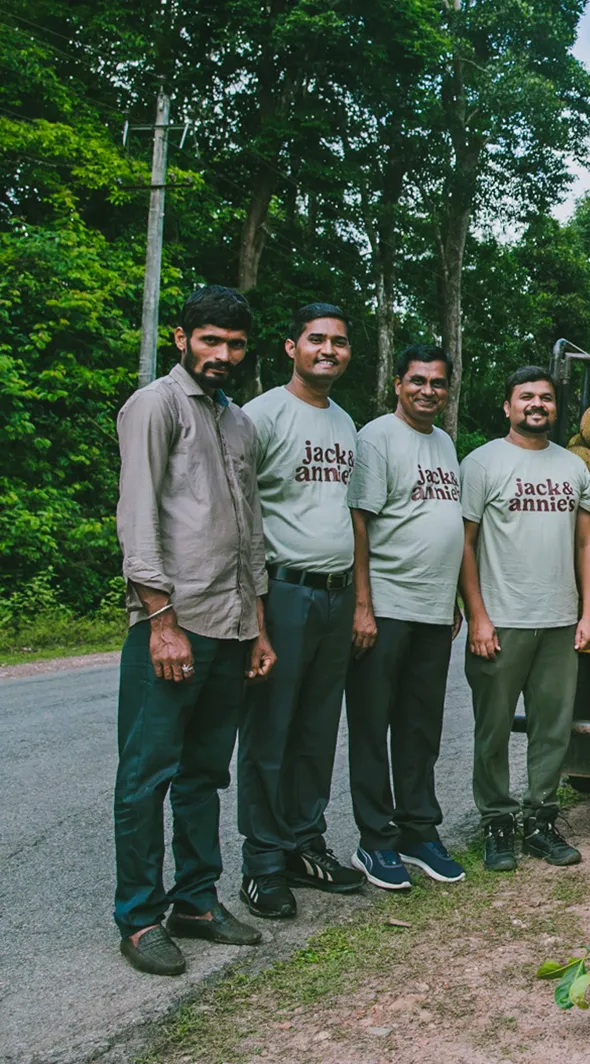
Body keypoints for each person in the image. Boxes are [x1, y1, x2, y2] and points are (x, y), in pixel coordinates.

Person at [113, 286, 276, 976]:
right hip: (175, 626)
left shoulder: (239, 423)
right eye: (210, 340)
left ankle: (197, 900)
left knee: (206, 772)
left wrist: (260, 629)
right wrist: (160, 624)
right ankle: (139, 917)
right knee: (147, 775)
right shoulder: (155, 405)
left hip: (233, 625)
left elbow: (250, 530)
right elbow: (138, 517)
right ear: (182, 339)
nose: (222, 354)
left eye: (234, 344)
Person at [237, 303, 364, 918]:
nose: (328, 350)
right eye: (317, 340)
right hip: (282, 590)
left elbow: (352, 519)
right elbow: (240, 520)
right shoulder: (259, 416)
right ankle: (261, 862)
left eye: (339, 342)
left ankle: (302, 842)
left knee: (316, 730)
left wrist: (361, 601)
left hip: (337, 594)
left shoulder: (346, 424)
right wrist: (255, 616)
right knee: (270, 730)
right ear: (292, 346)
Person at [460, 367, 590, 872]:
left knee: (552, 729)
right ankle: (497, 822)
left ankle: (541, 820)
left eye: (545, 397)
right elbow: (465, 544)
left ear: (555, 408)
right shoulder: (481, 464)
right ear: (507, 406)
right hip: (501, 621)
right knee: (492, 729)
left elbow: (586, 543)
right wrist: (476, 616)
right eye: (526, 397)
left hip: (560, 620)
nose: (536, 404)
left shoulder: (573, 468)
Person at [345, 344, 466, 889]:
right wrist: (362, 605)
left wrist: (455, 599)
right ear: (398, 383)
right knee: (374, 726)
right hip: (386, 608)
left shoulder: (443, 443)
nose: (428, 391)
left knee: (420, 728)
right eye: (418, 381)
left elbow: (443, 526)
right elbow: (359, 525)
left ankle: (419, 831)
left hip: (433, 611)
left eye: (438, 383)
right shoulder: (375, 438)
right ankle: (377, 840)